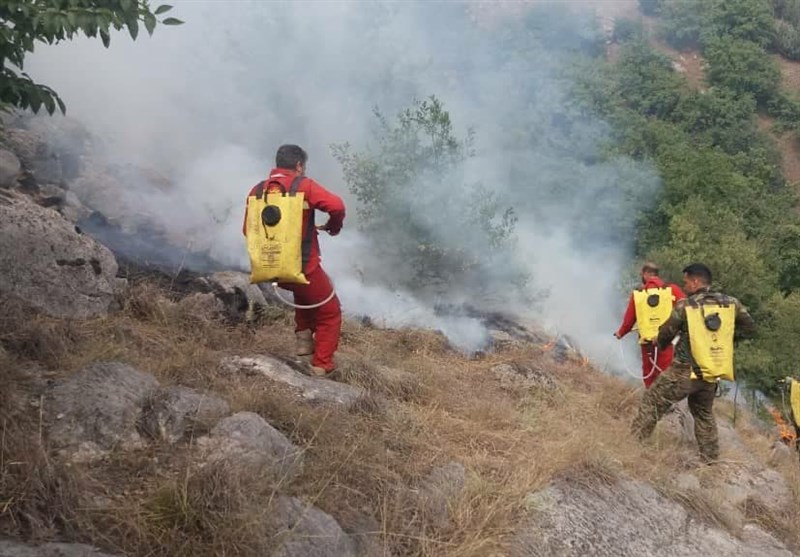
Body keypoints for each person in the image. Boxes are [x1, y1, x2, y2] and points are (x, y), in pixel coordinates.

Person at [631, 263, 755, 463]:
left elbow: (666, 333)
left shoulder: (685, 306)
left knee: (651, 402)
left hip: (684, 371)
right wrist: (724, 339)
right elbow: (749, 327)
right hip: (711, 370)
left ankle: (632, 446)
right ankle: (710, 459)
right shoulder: (731, 303)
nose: (685, 285)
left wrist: (659, 343)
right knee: (703, 413)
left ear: (696, 281)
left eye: (686, 281)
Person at [243, 144, 345, 376]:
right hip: (302, 268)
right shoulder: (304, 185)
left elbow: (246, 230)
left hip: (270, 269)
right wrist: (333, 227)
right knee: (330, 312)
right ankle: (322, 366)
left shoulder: (256, 191)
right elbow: (337, 206)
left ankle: (303, 346)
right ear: (299, 165)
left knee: (304, 295)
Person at [615, 262, 686, 388]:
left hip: (647, 342)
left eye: (641, 274)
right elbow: (686, 308)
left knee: (649, 373)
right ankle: (664, 400)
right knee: (665, 371)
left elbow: (629, 320)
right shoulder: (672, 289)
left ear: (646, 274)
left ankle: (650, 399)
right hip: (666, 340)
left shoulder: (639, 294)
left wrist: (621, 333)